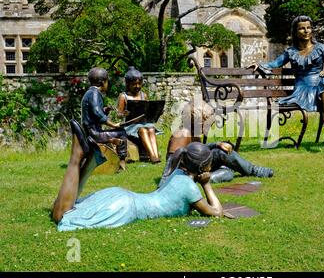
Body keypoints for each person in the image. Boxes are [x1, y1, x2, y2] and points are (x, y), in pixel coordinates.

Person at [52, 121, 224, 231]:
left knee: (69, 208)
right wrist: (207, 184)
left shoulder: (177, 173)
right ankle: (77, 157)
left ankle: (89, 162)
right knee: (62, 216)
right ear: (202, 168)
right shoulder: (189, 187)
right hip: (126, 207)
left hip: (123, 196)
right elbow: (216, 213)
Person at [250, 15, 324, 150]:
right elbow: (276, 63)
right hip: (302, 89)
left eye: (309, 28)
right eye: (302, 28)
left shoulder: (320, 48)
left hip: (321, 86)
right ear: (296, 32)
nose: (306, 31)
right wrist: (260, 65)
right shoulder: (291, 52)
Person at [160, 100, 273, 186]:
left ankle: (203, 179)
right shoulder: (182, 134)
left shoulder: (194, 134)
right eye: (207, 122)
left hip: (196, 169)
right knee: (221, 153)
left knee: (228, 172)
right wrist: (164, 182)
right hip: (187, 174)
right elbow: (171, 162)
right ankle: (254, 170)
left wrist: (216, 144)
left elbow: (200, 151)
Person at [81, 67, 128, 171]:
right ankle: (122, 163)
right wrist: (113, 124)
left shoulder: (90, 93)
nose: (108, 84)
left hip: (92, 131)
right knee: (122, 132)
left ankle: (114, 154)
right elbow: (97, 113)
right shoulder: (94, 93)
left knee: (119, 133)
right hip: (94, 133)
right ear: (102, 83)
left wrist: (105, 110)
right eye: (107, 82)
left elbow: (95, 111)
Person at [117, 67, 162, 163]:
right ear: (128, 84)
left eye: (139, 84)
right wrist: (123, 114)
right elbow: (118, 114)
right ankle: (153, 156)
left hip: (143, 123)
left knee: (151, 129)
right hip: (131, 126)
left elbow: (147, 109)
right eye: (134, 84)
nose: (137, 86)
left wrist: (157, 111)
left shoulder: (143, 95)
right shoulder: (123, 96)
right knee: (142, 130)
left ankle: (156, 154)